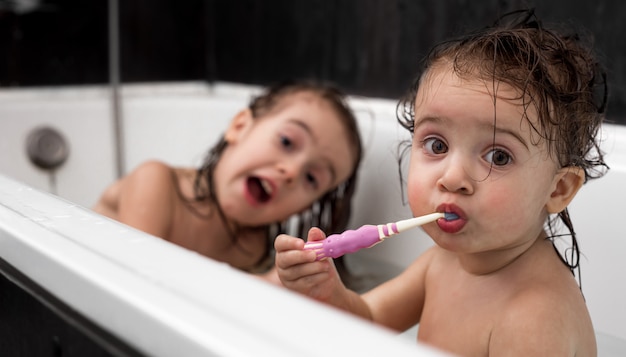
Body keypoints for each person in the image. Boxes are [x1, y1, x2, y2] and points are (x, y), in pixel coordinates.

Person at [275, 9, 608, 356]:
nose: (452, 178)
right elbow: (370, 319)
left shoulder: (533, 317)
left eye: (498, 157)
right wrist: (327, 291)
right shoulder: (444, 262)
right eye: (437, 145)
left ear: (558, 189)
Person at [93, 80, 363, 284]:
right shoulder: (155, 184)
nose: (291, 171)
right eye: (286, 142)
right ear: (239, 127)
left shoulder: (253, 246)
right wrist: (268, 285)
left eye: (312, 178)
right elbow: (135, 286)